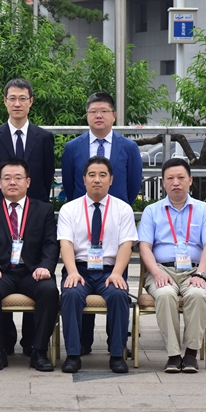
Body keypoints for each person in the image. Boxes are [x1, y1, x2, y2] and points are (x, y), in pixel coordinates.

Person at [61, 92, 144, 354]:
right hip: (83, 220)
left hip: (113, 225)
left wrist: (116, 207)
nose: (98, 116)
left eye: (104, 111)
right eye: (93, 111)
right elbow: (70, 184)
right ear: (87, 115)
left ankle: (116, 345)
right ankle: (81, 344)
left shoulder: (128, 147)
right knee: (77, 290)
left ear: (114, 115)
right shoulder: (73, 147)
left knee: (116, 287)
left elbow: (133, 184)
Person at [0, 78, 55, 357]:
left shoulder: (43, 138)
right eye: (12, 98)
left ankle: (33, 345)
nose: (17, 103)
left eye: (23, 98)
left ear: (31, 102)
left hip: (32, 216)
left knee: (42, 283)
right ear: (5, 101)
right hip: (2, 215)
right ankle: (4, 343)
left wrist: (34, 206)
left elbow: (46, 177)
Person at [137, 158, 206, 373]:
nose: (176, 182)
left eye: (181, 177)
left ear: (190, 180)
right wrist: (156, 273)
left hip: (193, 270)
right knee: (165, 294)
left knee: (198, 294)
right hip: (161, 269)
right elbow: (144, 247)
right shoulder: (151, 211)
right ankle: (173, 355)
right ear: (163, 182)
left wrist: (201, 274)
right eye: (170, 178)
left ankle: (191, 354)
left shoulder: (203, 209)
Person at [0, 158, 59, 372]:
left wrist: (45, 266)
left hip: (32, 271)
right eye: (7, 178)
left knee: (49, 290)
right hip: (2, 271)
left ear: (28, 182)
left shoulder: (44, 210)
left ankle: (39, 351)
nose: (12, 182)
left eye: (18, 178)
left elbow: (51, 243)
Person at [57, 156, 137, 374]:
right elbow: (65, 243)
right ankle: (73, 354)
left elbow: (126, 245)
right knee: (71, 294)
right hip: (79, 269)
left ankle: (117, 354)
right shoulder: (69, 209)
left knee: (119, 294)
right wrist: (72, 272)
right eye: (91, 175)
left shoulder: (123, 209)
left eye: (102, 175)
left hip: (109, 271)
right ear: (84, 179)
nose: (97, 180)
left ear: (111, 179)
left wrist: (118, 273)